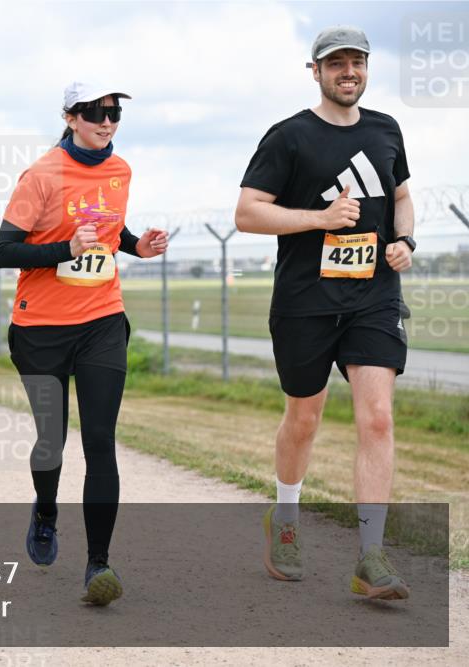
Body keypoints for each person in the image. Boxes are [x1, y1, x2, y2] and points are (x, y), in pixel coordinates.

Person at [235, 26, 414, 600]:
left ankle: (371, 555)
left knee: (378, 418)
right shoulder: (288, 136)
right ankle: (285, 518)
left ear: (367, 68)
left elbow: (402, 195)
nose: (348, 72)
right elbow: (247, 213)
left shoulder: (386, 129)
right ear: (315, 71)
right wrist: (320, 219)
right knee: (304, 419)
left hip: (374, 297)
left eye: (356, 62)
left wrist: (404, 241)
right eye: (336, 63)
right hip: (305, 303)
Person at [0, 82, 168, 606]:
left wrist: (137, 246)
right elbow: (5, 252)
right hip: (40, 328)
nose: (107, 121)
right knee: (52, 441)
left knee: (100, 441)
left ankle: (98, 565)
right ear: (71, 117)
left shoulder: (121, 171)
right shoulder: (41, 175)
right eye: (94, 112)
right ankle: (46, 511)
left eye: (114, 113)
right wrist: (63, 249)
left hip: (101, 321)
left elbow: (109, 232)